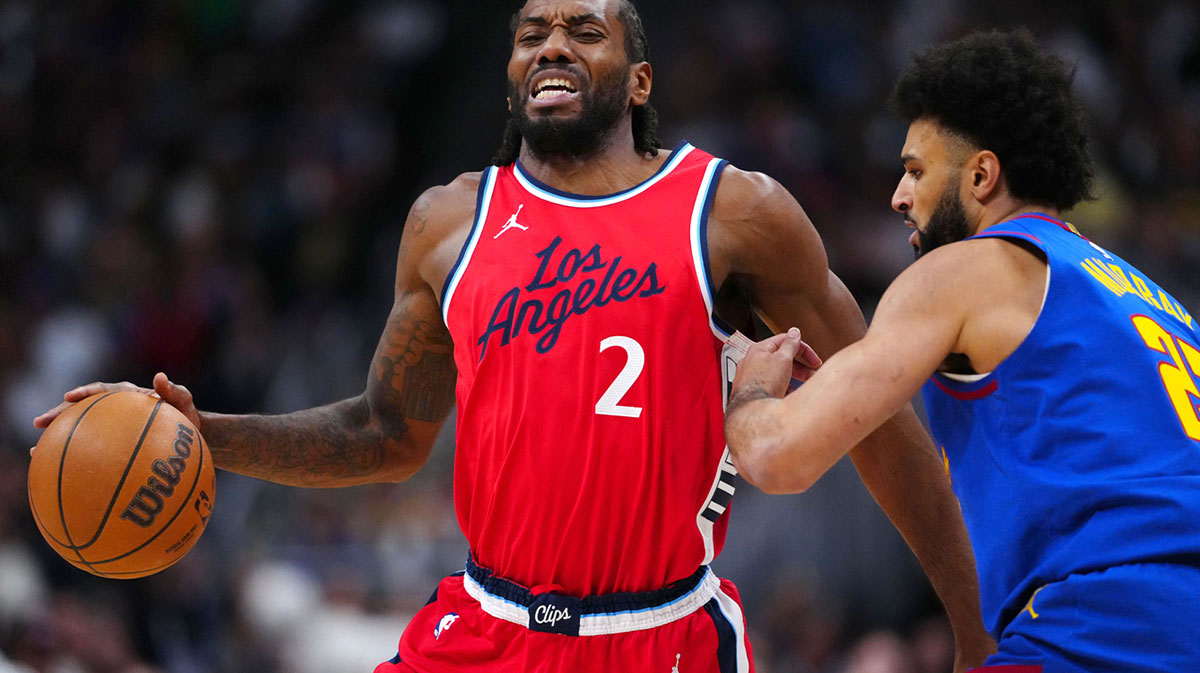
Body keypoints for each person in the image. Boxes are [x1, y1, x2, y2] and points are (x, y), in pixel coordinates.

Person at [34, 1, 994, 671]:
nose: (554, 45)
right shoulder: (449, 225)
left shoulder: (733, 214)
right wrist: (210, 435)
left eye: (586, 29)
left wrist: (971, 627)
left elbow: (881, 418)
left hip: (659, 635)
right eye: (532, 31)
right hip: (484, 630)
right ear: (508, 75)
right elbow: (385, 434)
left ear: (639, 75)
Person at [725, 29, 1200, 673]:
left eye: (916, 170)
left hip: (1103, 628)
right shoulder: (1151, 299)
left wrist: (751, 392)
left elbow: (779, 456)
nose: (898, 194)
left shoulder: (966, 269)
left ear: (981, 175)